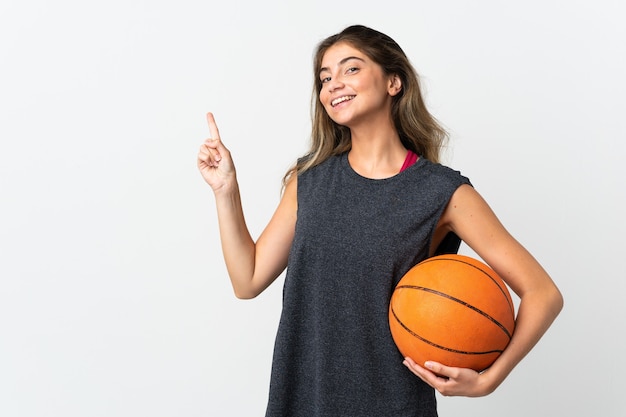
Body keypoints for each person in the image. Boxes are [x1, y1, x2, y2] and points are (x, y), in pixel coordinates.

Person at [197, 24, 563, 417]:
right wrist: (225, 191)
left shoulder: (442, 193)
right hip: (302, 402)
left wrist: (489, 381)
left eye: (350, 69)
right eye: (325, 77)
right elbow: (247, 280)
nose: (333, 83)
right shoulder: (310, 182)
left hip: (393, 404)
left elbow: (543, 293)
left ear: (394, 82)